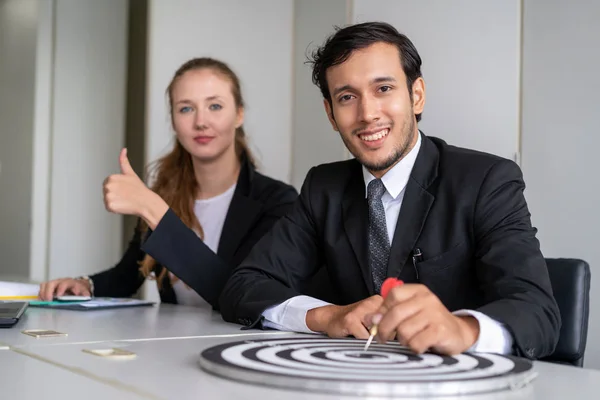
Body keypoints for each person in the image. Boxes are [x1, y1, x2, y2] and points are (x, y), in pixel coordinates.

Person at [218, 22, 560, 359]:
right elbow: (244, 286)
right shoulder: (324, 188)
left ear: (417, 95)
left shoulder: (487, 180)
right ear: (331, 114)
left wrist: (462, 329)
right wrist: (328, 316)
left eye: (383, 89)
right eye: (347, 97)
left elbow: (538, 312)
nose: (367, 114)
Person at [38, 57, 298, 308]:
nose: (201, 122)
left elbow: (239, 294)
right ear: (173, 121)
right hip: (171, 343)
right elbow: (128, 275)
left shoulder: (277, 201)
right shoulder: (165, 194)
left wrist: (153, 209)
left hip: (236, 349)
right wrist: (85, 284)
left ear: (239, 114)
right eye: (186, 108)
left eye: (215, 106)